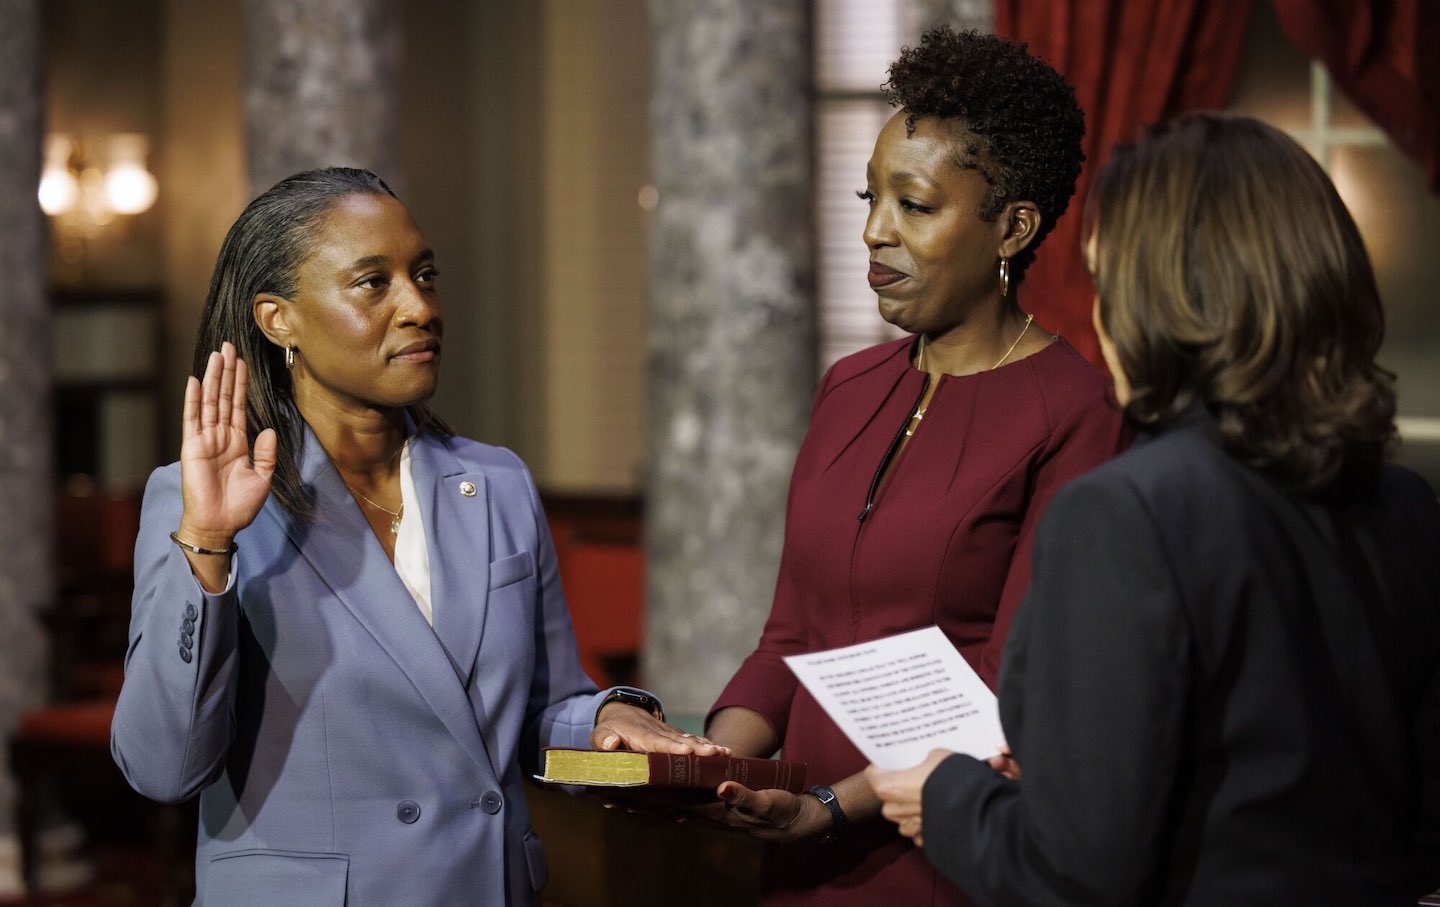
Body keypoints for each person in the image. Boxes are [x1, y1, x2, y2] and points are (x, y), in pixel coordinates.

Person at [867, 113, 1440, 906]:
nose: (1102, 322)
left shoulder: (1124, 513)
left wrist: (945, 796)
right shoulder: (1406, 505)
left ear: (1166, 299)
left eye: (1107, 283)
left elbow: (1076, 876)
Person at [109, 167, 723, 906]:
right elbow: (162, 767)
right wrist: (207, 544)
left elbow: (538, 707)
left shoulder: (496, 484)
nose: (420, 306)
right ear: (279, 319)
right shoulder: (198, 498)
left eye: (424, 274)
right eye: (374, 283)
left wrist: (602, 717)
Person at [700, 26, 1129, 906]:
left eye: (915, 207)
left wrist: (829, 806)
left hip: (943, 857)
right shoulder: (847, 388)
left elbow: (1010, 681)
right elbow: (790, 634)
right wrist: (719, 764)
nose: (872, 233)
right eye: (869, 198)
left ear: (1012, 226)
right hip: (792, 856)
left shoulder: (1076, 415)